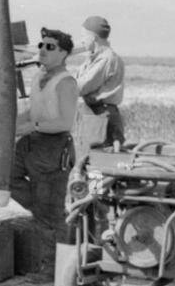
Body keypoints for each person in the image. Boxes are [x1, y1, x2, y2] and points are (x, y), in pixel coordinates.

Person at [10, 27, 79, 272]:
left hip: (53, 146)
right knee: (7, 178)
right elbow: (33, 110)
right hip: (31, 142)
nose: (43, 50)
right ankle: (48, 215)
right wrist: (11, 126)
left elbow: (64, 122)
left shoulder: (66, 82)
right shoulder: (38, 78)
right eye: (41, 45)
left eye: (50, 47)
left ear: (63, 54)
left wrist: (30, 127)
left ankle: (56, 269)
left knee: (49, 214)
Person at [76, 15, 126, 147]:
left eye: (83, 36)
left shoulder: (106, 59)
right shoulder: (95, 58)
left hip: (101, 116)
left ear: (93, 38)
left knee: (95, 159)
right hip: (97, 115)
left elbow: (81, 87)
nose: (81, 41)